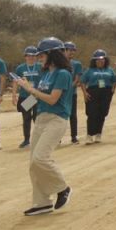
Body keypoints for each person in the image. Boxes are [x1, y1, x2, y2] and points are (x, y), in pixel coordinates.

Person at [12, 37, 73, 216]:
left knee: (40, 158)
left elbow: (52, 99)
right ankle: (42, 203)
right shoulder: (45, 73)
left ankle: (63, 188)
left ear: (52, 54)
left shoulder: (63, 74)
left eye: (42, 54)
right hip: (41, 119)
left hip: (56, 119)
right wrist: (24, 106)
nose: (39, 58)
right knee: (33, 163)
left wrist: (29, 88)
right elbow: (39, 96)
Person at [80, 49, 116, 143]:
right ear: (94, 61)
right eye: (98, 59)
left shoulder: (110, 70)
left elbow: (114, 80)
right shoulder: (89, 70)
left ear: (105, 60)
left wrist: (112, 90)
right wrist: (85, 93)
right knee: (92, 113)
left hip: (106, 92)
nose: (100, 61)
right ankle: (89, 135)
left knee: (102, 113)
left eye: (102, 59)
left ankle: (98, 134)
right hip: (93, 92)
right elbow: (83, 81)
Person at [13, 45, 42, 148]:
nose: (31, 57)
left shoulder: (40, 66)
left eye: (33, 55)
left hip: (37, 96)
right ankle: (26, 140)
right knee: (26, 118)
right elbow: (16, 81)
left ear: (37, 56)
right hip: (25, 96)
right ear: (25, 56)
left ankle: (39, 139)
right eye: (29, 55)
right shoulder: (20, 68)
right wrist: (14, 94)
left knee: (37, 118)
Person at [64, 41, 84, 144]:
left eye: (73, 50)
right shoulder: (58, 64)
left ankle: (74, 136)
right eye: (69, 50)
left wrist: (68, 88)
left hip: (71, 94)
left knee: (72, 115)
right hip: (59, 95)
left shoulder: (77, 64)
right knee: (59, 116)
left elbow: (77, 79)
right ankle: (57, 137)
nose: (72, 52)